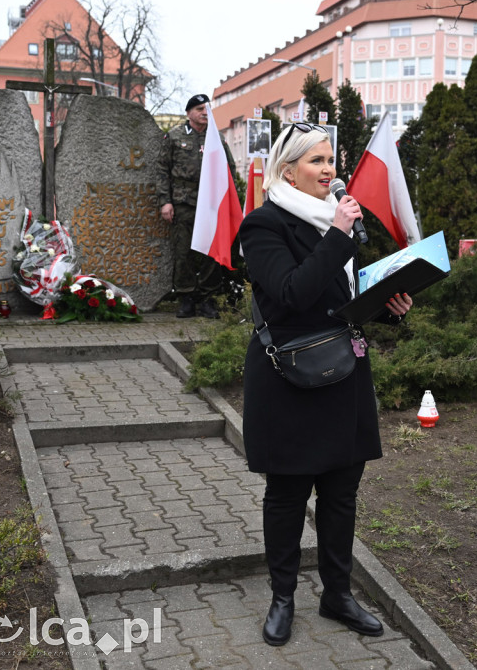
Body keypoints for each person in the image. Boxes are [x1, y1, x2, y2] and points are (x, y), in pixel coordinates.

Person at [239, 122, 413, 646]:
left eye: (330, 160)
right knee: (288, 493)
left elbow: (338, 301)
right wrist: (338, 235)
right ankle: (283, 598)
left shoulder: (335, 224)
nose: (329, 170)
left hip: (344, 374)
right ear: (287, 170)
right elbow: (292, 294)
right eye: (317, 161)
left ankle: (337, 594)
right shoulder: (263, 226)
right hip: (288, 377)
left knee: (342, 492)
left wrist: (387, 306)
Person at [156, 94, 237, 319]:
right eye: (200, 108)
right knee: (184, 252)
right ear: (189, 112)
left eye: (207, 108)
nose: (204, 112)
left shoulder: (216, 138)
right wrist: (165, 201)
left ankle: (207, 298)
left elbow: (229, 169)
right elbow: (162, 170)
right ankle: (186, 297)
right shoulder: (174, 136)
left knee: (212, 252)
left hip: (211, 202)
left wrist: (228, 200)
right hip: (183, 202)